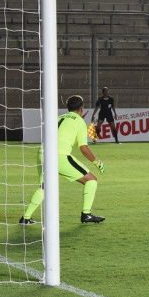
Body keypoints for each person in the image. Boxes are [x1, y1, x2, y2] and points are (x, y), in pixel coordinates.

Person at [20, 95, 106, 225]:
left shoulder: (58, 117)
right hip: (59, 156)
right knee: (91, 180)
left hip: (42, 154)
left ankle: (25, 218)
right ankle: (86, 214)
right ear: (81, 108)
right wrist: (97, 162)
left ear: (68, 107)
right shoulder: (79, 121)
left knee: (44, 187)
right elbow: (83, 148)